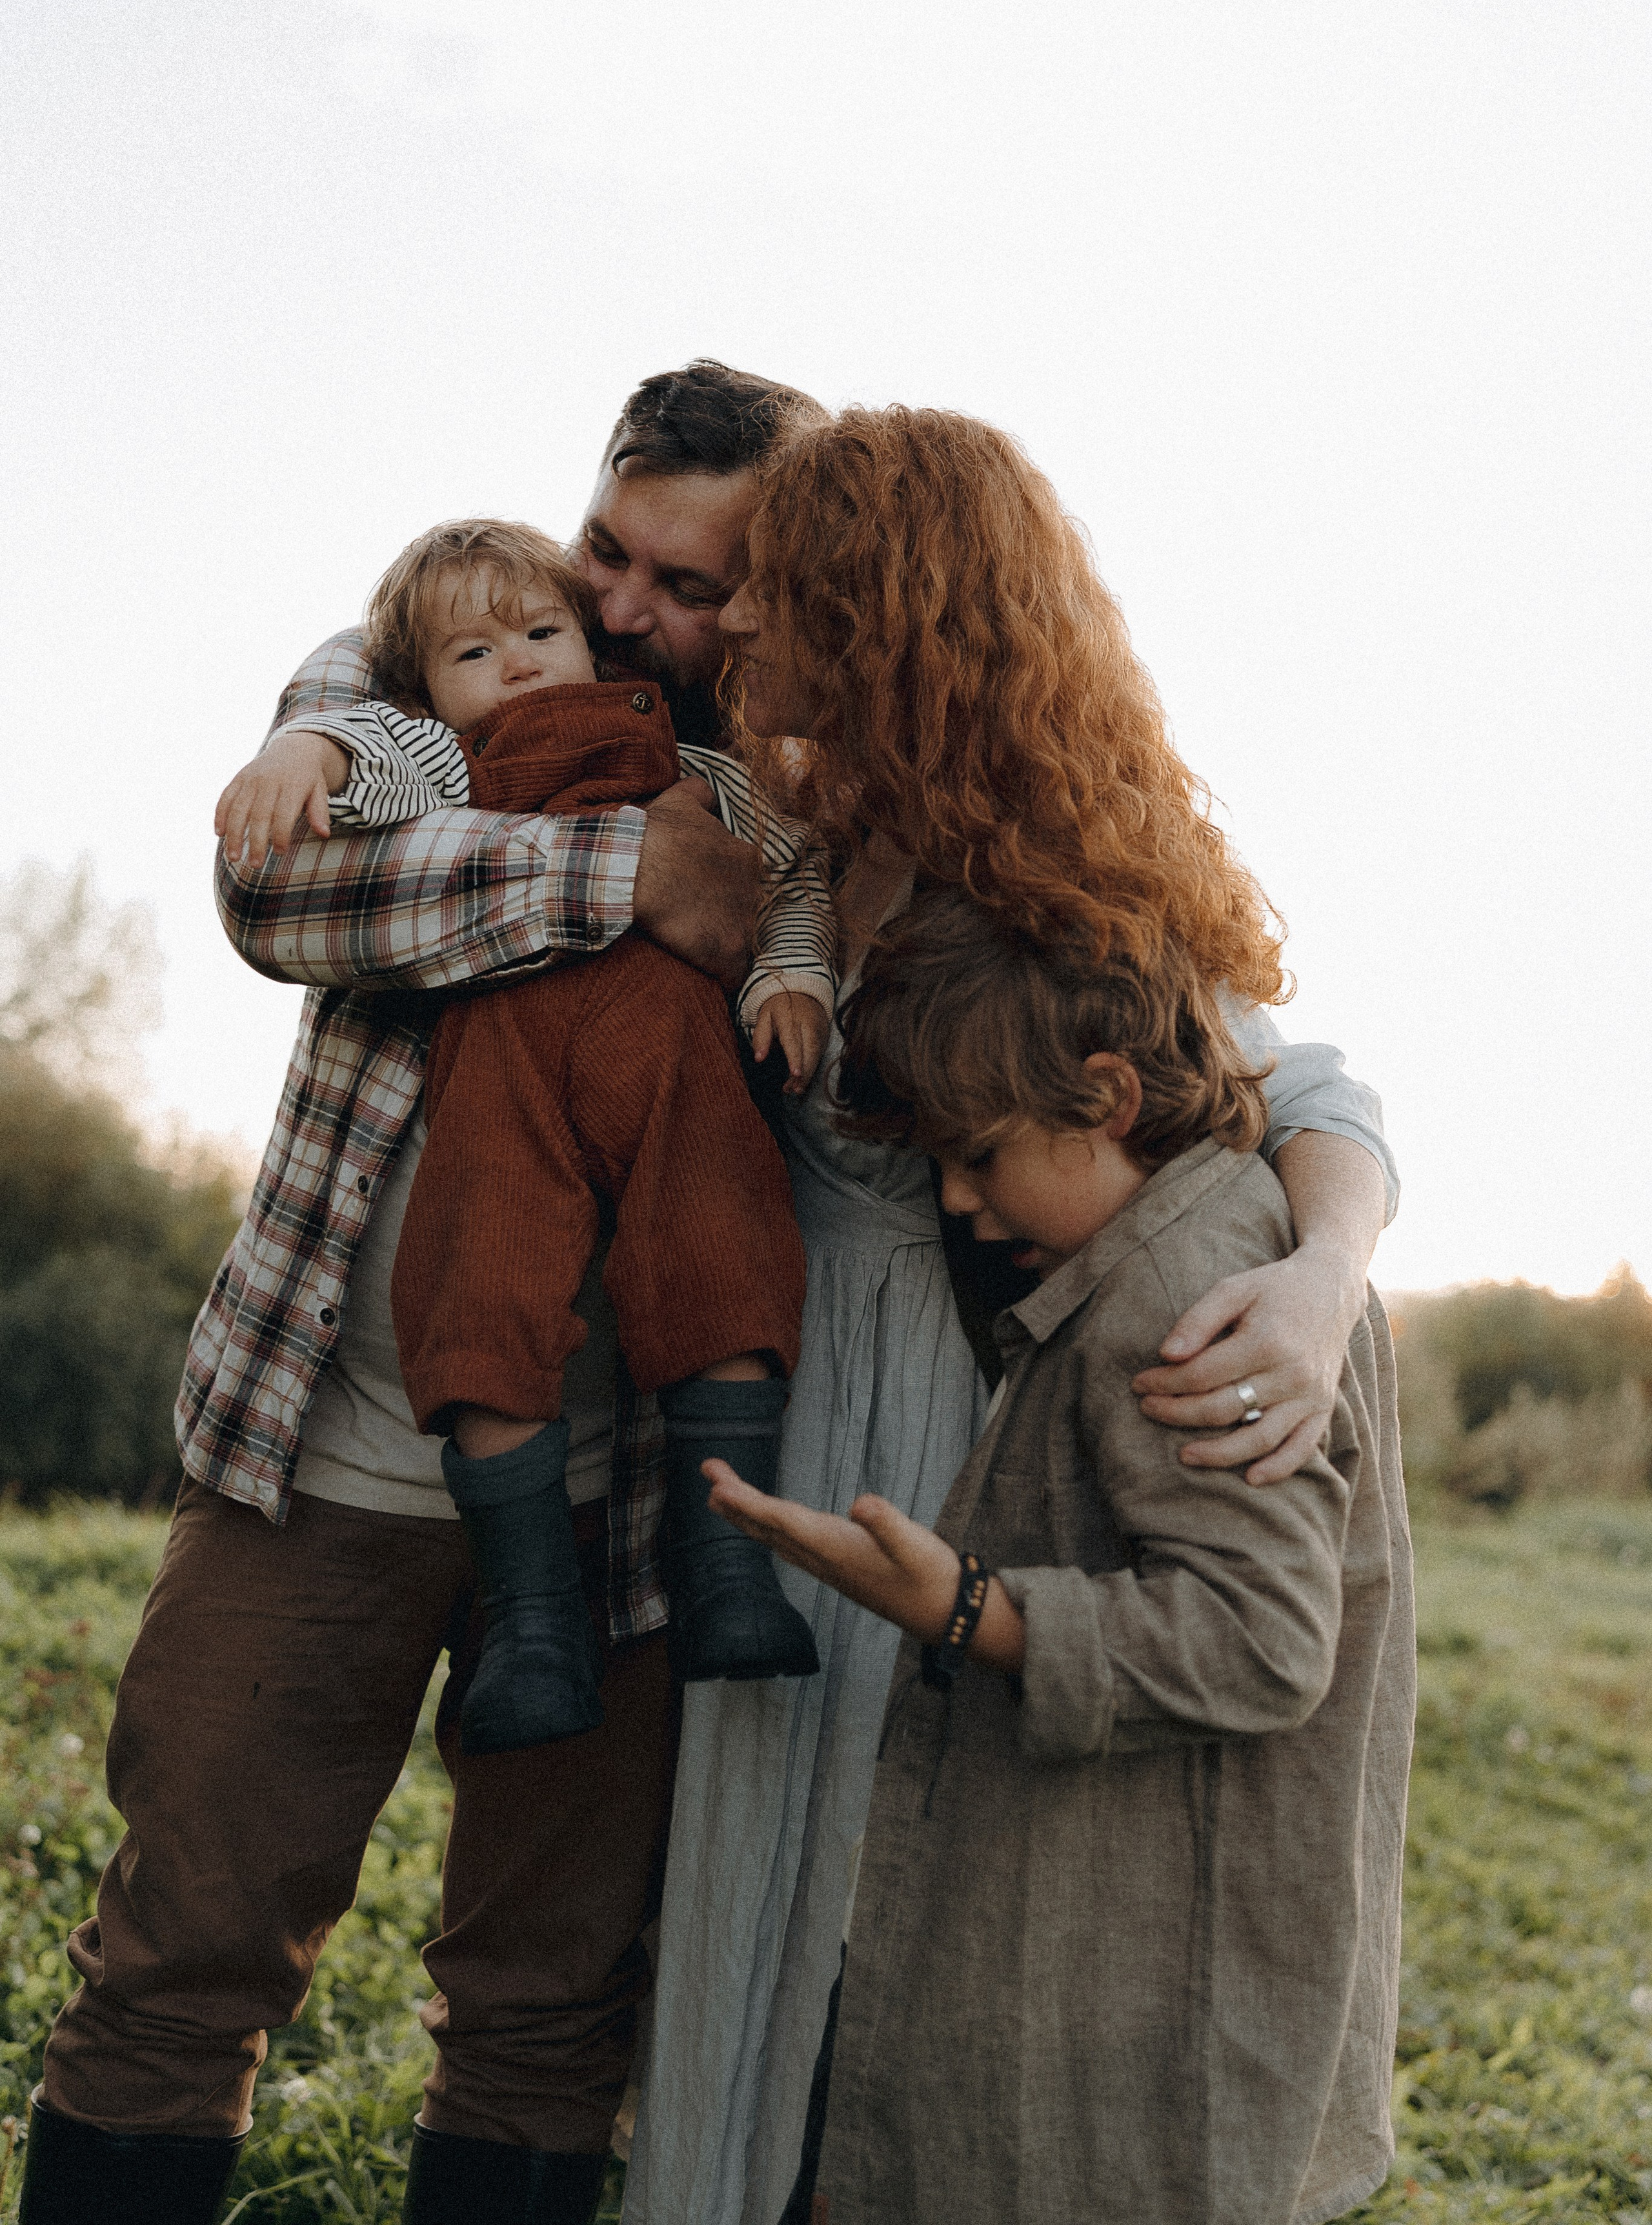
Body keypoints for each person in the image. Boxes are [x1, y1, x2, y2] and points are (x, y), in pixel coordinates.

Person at [17, 365, 1385, 2225]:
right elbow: (285, 906)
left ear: (787, 615)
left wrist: (1322, 1274)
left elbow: (1273, 1077)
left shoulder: (805, 811)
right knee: (183, 1956)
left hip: (655, 1504)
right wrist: (628, 867)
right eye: (607, 555)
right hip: (321, 1445)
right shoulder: (442, 666)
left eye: (694, 587)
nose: (626, 616)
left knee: (553, 2008)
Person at [621, 402, 1401, 2225]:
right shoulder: (820, 825)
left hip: (950, 1425)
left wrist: (1319, 1272)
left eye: (779, 593)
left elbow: (1298, 1086)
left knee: (885, 1895)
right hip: (792, 1378)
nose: (734, 625)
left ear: (888, 609)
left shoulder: (1053, 850)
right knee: (759, 1882)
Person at [707, 887, 1413, 2225]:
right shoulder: (1172, 1234)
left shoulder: (1184, 1297)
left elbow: (1261, 1644)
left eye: (975, 1156)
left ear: (1101, 1096)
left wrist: (967, 1607)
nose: (961, 1207)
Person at [216, 514, 831, 1757]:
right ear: (429, 688)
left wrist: (789, 979)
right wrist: (308, 749)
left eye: (545, 635)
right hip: (502, 1074)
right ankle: (534, 1621)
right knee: (482, 1270)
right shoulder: (441, 754)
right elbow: (361, 763)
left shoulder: (707, 763)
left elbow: (788, 873)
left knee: (716, 1236)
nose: (521, 666)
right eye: (476, 655)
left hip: (667, 1065)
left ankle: (726, 1569)